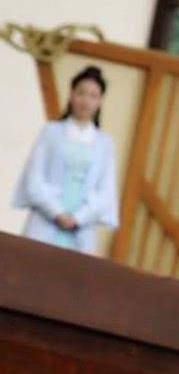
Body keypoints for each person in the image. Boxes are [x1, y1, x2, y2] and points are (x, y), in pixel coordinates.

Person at [12, 65, 119, 254]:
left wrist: (79, 218)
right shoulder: (50, 132)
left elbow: (106, 192)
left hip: (80, 232)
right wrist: (57, 213)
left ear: (100, 101)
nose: (86, 101)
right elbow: (34, 179)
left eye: (93, 96)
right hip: (45, 223)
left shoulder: (105, 143)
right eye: (81, 93)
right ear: (71, 95)